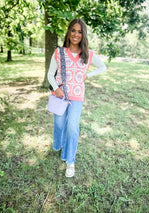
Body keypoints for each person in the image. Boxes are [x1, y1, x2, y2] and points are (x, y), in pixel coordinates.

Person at [47, 18, 106, 178]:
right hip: (59, 96)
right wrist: (56, 88)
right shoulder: (59, 52)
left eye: (80, 31)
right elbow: (50, 74)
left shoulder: (88, 54)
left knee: (72, 127)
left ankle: (70, 160)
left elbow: (103, 67)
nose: (76, 34)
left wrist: (89, 75)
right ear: (69, 32)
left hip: (77, 97)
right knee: (59, 125)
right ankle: (58, 145)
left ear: (83, 34)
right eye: (73, 30)